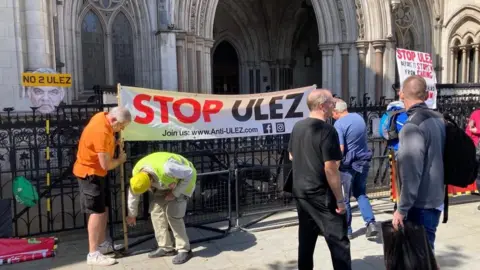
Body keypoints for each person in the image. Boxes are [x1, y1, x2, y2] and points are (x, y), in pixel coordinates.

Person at [288, 89, 351, 270]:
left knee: (306, 239)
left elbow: (292, 155)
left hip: (301, 191)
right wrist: (340, 200)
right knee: (339, 241)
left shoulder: (298, 126)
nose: (334, 106)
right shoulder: (327, 130)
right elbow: (331, 168)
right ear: (323, 106)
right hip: (321, 194)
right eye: (332, 102)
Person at [392, 75, 445, 254]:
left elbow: (412, 172)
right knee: (427, 255)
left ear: (401, 95)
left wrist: (401, 209)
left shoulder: (412, 126)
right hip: (436, 198)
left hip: (420, 204)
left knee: (419, 259)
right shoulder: (438, 118)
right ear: (427, 95)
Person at [73, 106, 131, 266]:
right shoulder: (101, 132)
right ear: (113, 120)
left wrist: (114, 142)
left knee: (103, 209)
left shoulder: (102, 116)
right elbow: (105, 164)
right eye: (121, 126)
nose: (122, 129)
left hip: (98, 173)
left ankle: (102, 245)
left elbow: (106, 141)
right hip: (90, 174)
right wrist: (120, 160)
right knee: (96, 212)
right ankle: (93, 253)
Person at [126, 152, 196, 265]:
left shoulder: (168, 168)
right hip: (165, 182)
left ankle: (185, 249)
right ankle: (166, 248)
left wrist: (175, 193)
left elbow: (189, 173)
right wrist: (132, 214)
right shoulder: (137, 175)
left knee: (173, 214)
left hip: (184, 181)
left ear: (151, 182)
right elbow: (133, 193)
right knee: (155, 211)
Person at [332, 98, 378, 239]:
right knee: (361, 193)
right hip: (363, 161)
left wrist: (335, 168)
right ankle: (371, 223)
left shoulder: (338, 124)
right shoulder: (359, 118)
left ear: (336, 111)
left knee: (344, 197)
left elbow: (340, 149)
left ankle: (347, 230)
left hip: (348, 165)